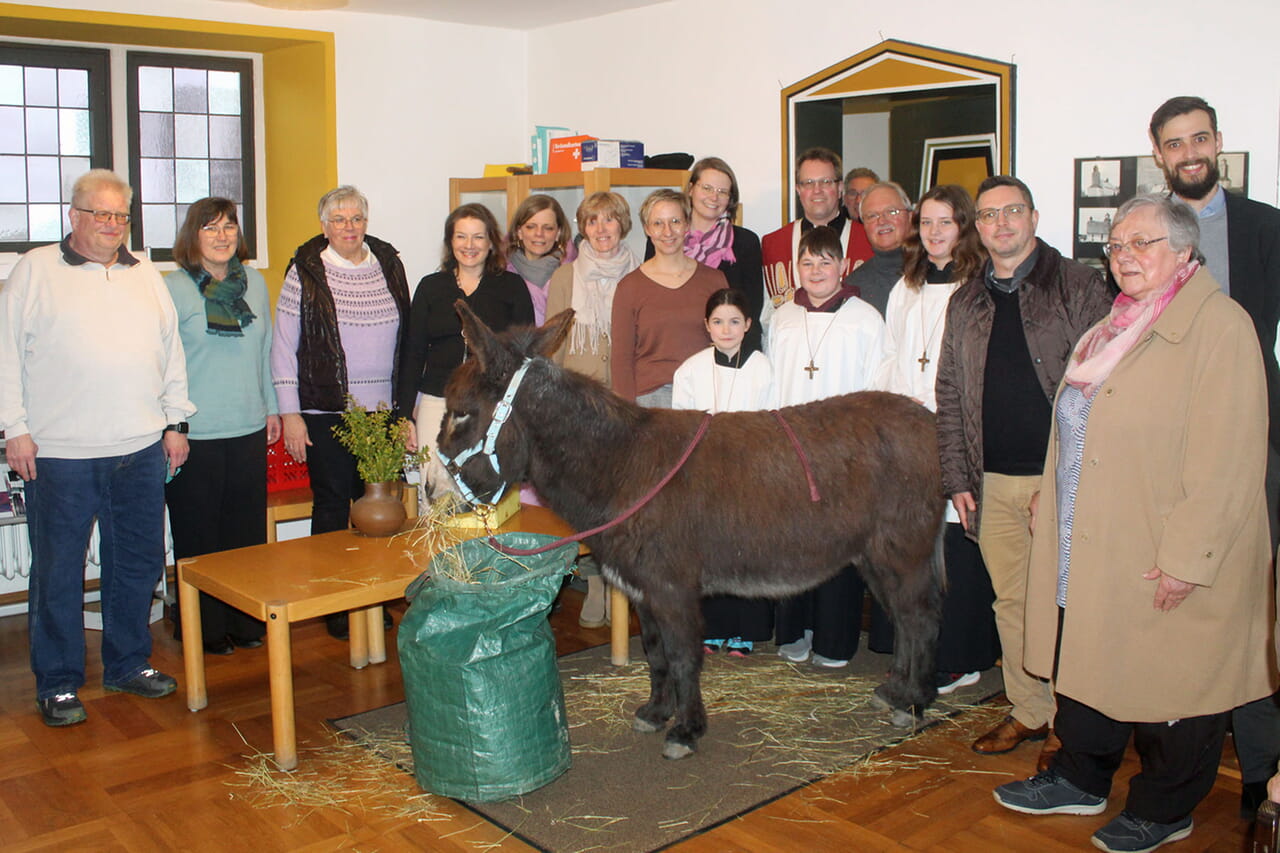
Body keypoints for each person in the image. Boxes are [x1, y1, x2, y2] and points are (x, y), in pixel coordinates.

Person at [994, 194, 1275, 853]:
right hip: (1093, 532)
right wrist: (1050, 491)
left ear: (1185, 251)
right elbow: (1076, 424)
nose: (1124, 257)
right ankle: (1081, 774)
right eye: (1116, 245)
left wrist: (1189, 556)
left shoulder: (1220, 328)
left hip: (1164, 540)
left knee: (1174, 680)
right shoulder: (1112, 325)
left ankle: (1166, 804)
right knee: (1089, 654)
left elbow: (1230, 457)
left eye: (1141, 243)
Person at [0, 169, 195, 726]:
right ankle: (58, 682)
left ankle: (128, 663)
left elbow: (169, 352)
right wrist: (14, 427)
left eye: (120, 216)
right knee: (58, 572)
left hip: (139, 448)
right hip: (59, 453)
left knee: (135, 564)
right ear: (74, 215)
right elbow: (7, 355)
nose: (111, 225)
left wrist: (175, 421)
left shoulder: (146, 277)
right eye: (100, 214)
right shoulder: (35, 270)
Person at [935, 175, 1112, 770]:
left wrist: (1062, 482)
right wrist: (958, 479)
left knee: (1067, 605)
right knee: (1010, 603)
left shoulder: (1080, 286)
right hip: (991, 482)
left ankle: (1074, 721)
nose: (1001, 223)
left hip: (1062, 478)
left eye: (1013, 211)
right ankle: (1030, 709)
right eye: (988, 215)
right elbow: (951, 392)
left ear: (1034, 216)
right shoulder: (965, 301)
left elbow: (1103, 388)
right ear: (977, 228)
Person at [1148, 95, 1280, 816]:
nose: (1189, 152)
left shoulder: (1266, 228)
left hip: (1257, 442)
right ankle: (1174, 767)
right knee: (1180, 599)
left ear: (1218, 142)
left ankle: (1261, 772)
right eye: (1175, 143)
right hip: (1170, 449)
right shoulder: (1146, 232)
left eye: (1200, 138)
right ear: (1160, 154)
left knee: (1253, 606)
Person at [271, 185, 411, 640]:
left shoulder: (388, 264)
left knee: (378, 508)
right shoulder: (305, 273)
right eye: (338, 219)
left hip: (383, 411)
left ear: (365, 223)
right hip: (326, 408)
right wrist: (291, 412)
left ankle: (372, 594)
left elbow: (406, 338)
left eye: (355, 218)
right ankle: (334, 601)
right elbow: (282, 348)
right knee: (333, 505)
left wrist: (403, 410)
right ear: (323, 225)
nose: (348, 227)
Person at [875, 184, 998, 695]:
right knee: (912, 544)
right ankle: (915, 648)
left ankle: (960, 655)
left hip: (953, 428)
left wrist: (940, 408)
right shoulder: (905, 285)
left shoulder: (978, 284)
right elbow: (890, 353)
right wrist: (893, 410)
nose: (933, 232)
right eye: (925, 222)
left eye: (945, 222)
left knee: (956, 543)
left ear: (964, 227)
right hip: (907, 429)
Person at [164, 197, 279, 656]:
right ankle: (203, 629)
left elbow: (266, 349)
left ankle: (245, 622)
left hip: (248, 424)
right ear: (193, 236)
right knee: (198, 537)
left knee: (245, 535)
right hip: (194, 432)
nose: (221, 236)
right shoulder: (172, 288)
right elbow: (163, 362)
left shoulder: (255, 283)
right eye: (210, 227)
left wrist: (270, 407)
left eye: (229, 226)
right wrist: (171, 425)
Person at [770, 226, 885, 668]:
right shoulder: (781, 317)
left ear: (843, 266)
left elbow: (876, 385)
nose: (816, 270)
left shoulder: (865, 318)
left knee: (840, 545)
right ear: (797, 268)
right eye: (807, 262)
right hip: (790, 448)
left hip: (844, 451)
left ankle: (835, 639)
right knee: (793, 543)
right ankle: (795, 631)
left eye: (825, 261)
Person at [546, 191, 640, 628]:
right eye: (592, 221)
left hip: (623, 398)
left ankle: (619, 580)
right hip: (578, 399)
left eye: (610, 220)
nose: (602, 229)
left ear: (623, 225)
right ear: (582, 228)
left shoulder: (641, 271)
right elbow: (555, 341)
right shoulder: (565, 276)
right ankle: (594, 579)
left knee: (621, 496)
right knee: (585, 497)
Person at [400, 203, 534, 498]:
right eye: (461, 237)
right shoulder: (431, 287)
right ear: (450, 242)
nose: (469, 245)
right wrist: (404, 415)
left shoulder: (511, 287)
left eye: (478, 237)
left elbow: (524, 356)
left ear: (491, 243)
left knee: (480, 494)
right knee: (434, 494)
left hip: (491, 406)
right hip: (437, 403)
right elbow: (411, 354)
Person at [672, 288, 774, 656]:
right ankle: (712, 628)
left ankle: (745, 630)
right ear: (706, 326)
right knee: (709, 555)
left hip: (750, 474)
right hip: (704, 476)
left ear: (748, 324)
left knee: (746, 553)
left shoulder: (762, 367)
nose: (726, 329)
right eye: (718, 322)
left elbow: (771, 422)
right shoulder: (691, 369)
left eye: (734, 321)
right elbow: (681, 425)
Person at [610, 189, 727, 406]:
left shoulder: (715, 281)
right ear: (647, 229)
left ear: (687, 225)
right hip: (650, 402)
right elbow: (621, 360)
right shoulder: (629, 288)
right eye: (657, 223)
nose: (667, 231)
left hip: (704, 395)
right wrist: (626, 415)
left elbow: (728, 344)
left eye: (675, 221)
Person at [645, 157, 765, 355]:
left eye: (722, 192)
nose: (714, 197)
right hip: (672, 349)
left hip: (729, 352)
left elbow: (751, 308)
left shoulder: (746, 243)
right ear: (691, 189)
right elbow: (652, 299)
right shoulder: (666, 238)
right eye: (707, 188)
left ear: (730, 199)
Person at [760, 147, 873, 329]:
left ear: (840, 188)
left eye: (826, 182)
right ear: (798, 189)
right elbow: (766, 318)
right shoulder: (772, 244)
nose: (817, 190)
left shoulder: (869, 242)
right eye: (809, 183)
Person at [845, 182, 913, 317]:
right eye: (872, 216)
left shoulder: (934, 275)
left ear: (910, 216)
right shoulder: (852, 289)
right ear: (863, 224)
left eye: (892, 212)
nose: (882, 221)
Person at [505, 194, 573, 325]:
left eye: (548, 228)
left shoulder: (572, 275)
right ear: (519, 231)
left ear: (558, 233)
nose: (539, 234)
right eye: (531, 227)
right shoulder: (501, 273)